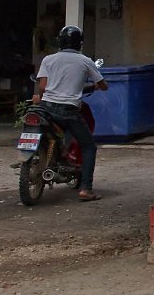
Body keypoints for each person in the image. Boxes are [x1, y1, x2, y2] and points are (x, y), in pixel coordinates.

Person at [32, 25, 107, 202]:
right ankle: (86, 189)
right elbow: (103, 85)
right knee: (89, 146)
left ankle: (62, 153)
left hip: (47, 108)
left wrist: (41, 99)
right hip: (69, 110)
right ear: (79, 43)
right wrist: (99, 86)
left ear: (60, 41)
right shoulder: (85, 61)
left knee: (57, 129)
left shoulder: (48, 59)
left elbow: (43, 86)